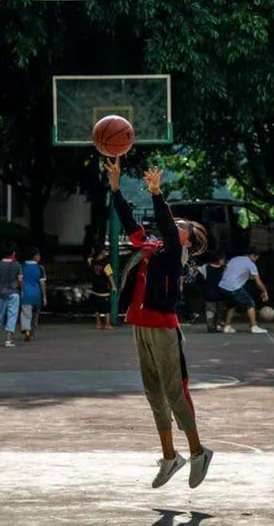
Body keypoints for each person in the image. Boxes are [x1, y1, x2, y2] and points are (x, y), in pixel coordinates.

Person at [105, 157, 214, 489]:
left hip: (164, 329)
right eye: (176, 222)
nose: (175, 225)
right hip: (140, 324)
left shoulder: (173, 254)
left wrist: (156, 193)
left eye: (182, 226)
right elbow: (128, 222)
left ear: (188, 243)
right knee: (154, 394)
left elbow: (166, 226)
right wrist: (115, 186)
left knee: (174, 392)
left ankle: (198, 452)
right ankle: (170, 457)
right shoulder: (152, 247)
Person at [219, 249, 270, 334]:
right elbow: (258, 283)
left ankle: (227, 327)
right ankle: (254, 326)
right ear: (253, 256)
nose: (256, 260)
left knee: (232, 304)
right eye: (256, 258)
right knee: (250, 303)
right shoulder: (251, 264)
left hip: (222, 286)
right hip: (233, 287)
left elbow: (225, 272)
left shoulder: (235, 259)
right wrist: (265, 292)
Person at [0, 244, 22, 348]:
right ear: (13, 253)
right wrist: (22, 290)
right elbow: (20, 280)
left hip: (0, 293)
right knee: (12, 316)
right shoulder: (17, 264)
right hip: (14, 293)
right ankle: (9, 340)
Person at [87, 246, 118, 330]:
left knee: (97, 307)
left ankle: (98, 323)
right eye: (104, 251)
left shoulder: (92, 261)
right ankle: (107, 324)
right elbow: (109, 276)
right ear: (101, 252)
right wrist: (113, 286)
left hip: (95, 287)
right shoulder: (106, 263)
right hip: (104, 288)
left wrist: (94, 253)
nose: (105, 252)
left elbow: (89, 258)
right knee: (107, 307)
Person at [20, 247, 47, 341]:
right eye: (39, 255)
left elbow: (20, 281)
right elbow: (42, 283)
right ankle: (32, 334)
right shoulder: (40, 268)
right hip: (37, 295)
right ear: (35, 256)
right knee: (35, 316)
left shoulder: (22, 266)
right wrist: (44, 297)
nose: (39, 257)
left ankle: (26, 330)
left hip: (25, 294)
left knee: (26, 314)